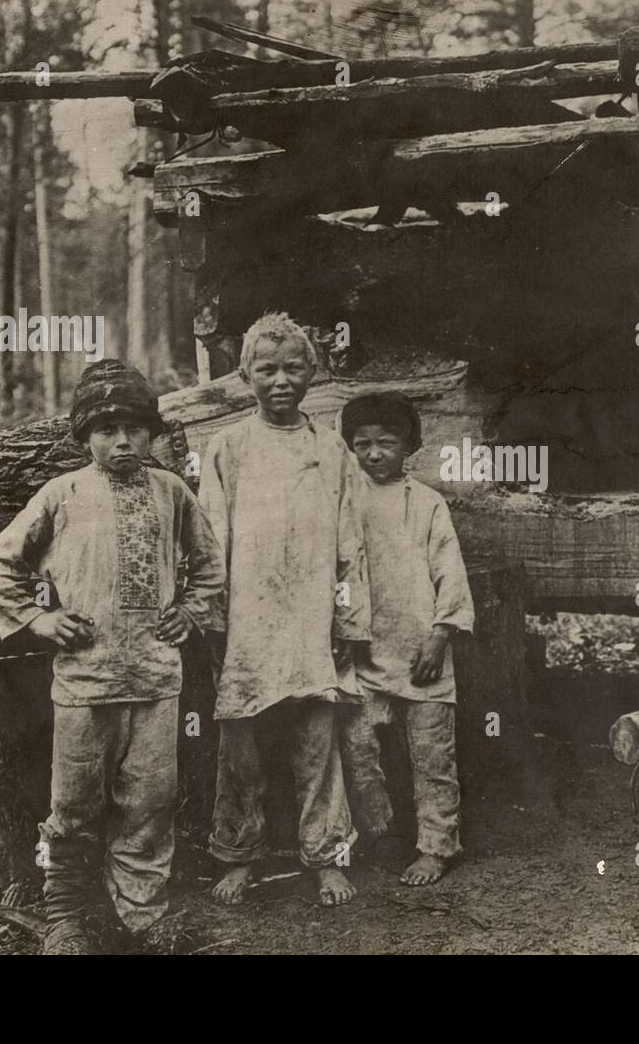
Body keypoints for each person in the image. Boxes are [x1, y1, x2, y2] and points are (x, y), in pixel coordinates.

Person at [0, 359, 225, 954]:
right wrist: (40, 618)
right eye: (107, 429)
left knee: (151, 802)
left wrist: (190, 610)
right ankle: (65, 916)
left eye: (136, 428)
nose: (123, 441)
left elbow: (211, 564)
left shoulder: (172, 492)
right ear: (84, 436)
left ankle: (143, 914)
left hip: (155, 678)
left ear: (151, 433)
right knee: (74, 804)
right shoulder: (62, 494)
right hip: (86, 682)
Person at [201, 313, 369, 908]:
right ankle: (238, 854)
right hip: (248, 621)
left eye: (293, 368)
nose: (280, 380)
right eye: (266, 369)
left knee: (316, 742)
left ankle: (326, 856)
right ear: (245, 374)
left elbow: (349, 544)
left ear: (313, 373)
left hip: (310, 622)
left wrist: (347, 619)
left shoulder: (330, 448)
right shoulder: (227, 447)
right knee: (241, 744)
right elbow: (209, 542)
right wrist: (215, 620)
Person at [336, 392, 474, 886]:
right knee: (358, 751)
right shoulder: (344, 502)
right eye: (362, 444)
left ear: (408, 445)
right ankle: (380, 832)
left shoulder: (428, 503)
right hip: (364, 655)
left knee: (432, 755)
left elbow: (450, 575)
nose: (374, 454)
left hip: (421, 654)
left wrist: (440, 637)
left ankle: (438, 845)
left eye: (386, 442)